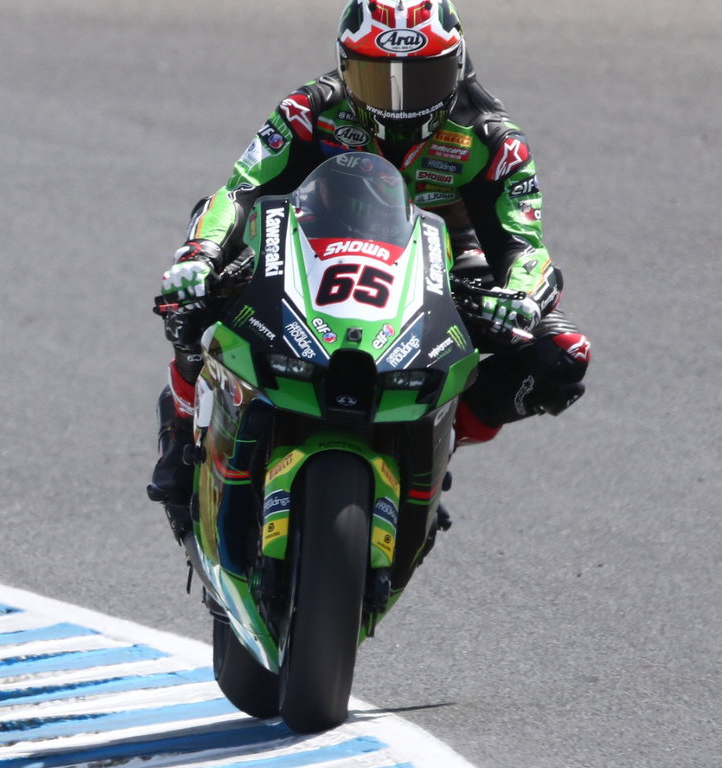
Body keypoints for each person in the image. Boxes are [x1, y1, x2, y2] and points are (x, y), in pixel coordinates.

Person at [148, 0, 590, 529]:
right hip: (310, 242)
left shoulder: (494, 138)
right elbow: (240, 189)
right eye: (379, 80)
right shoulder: (309, 109)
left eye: (421, 78)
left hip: (444, 265)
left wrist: (520, 298)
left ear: (458, 63)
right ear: (344, 64)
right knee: (194, 293)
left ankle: (434, 443)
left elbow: (524, 242)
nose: (399, 101)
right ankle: (181, 427)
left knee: (560, 357)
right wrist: (200, 256)